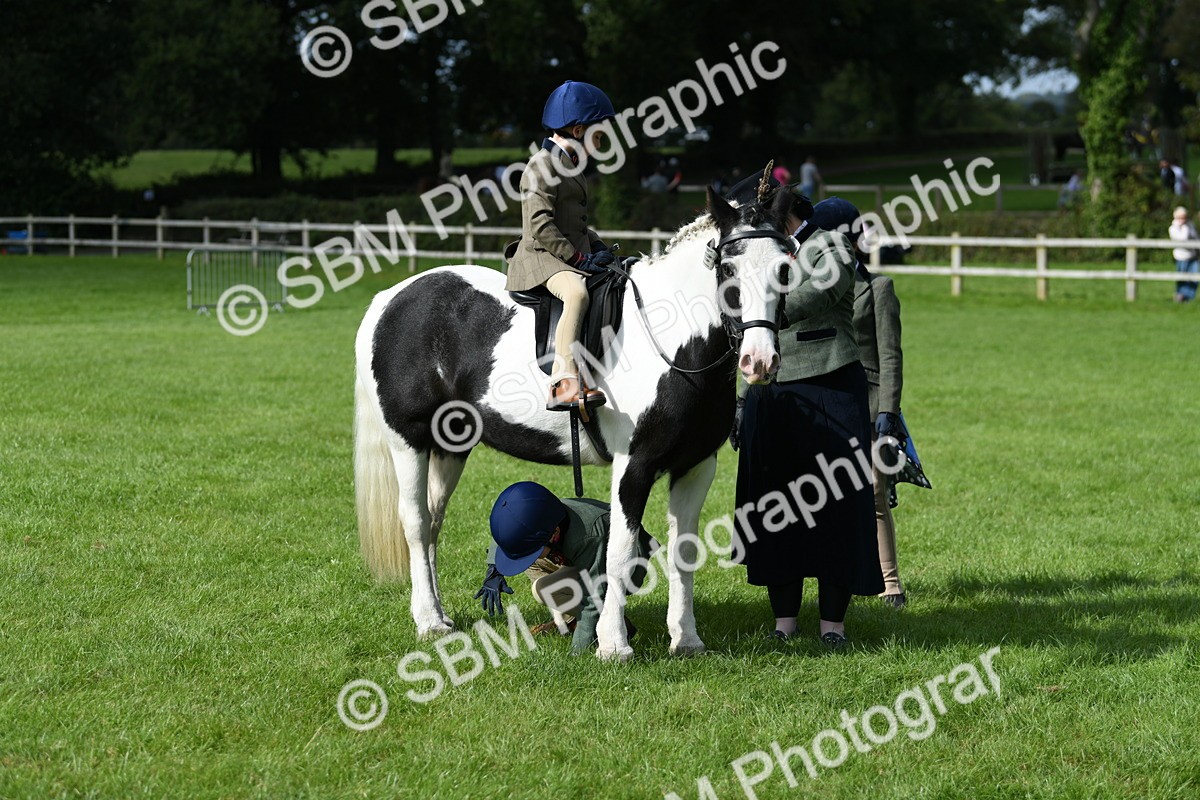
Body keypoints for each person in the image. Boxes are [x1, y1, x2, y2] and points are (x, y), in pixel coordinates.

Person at [727, 175, 883, 648]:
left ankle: (833, 627)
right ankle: (784, 623)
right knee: (775, 508)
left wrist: (766, 310)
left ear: (781, 212)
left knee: (836, 508)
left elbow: (824, 291)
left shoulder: (826, 245)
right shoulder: (759, 250)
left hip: (830, 387)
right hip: (771, 395)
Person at [810, 197, 909, 609]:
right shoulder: (811, 286)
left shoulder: (878, 288)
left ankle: (891, 584)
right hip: (825, 404)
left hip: (869, 404)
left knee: (873, 494)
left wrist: (889, 411)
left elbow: (890, 355)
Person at [504, 80, 618, 412]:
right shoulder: (541, 165)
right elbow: (540, 225)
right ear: (578, 129)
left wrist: (598, 248)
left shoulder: (570, 166)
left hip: (564, 253)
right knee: (577, 293)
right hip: (540, 257)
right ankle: (562, 381)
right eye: (597, 137)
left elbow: (575, 224)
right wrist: (579, 258)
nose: (599, 146)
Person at [475, 482, 654, 651]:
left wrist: (577, 654)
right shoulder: (544, 514)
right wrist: (494, 568)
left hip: (627, 563)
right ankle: (571, 620)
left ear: (554, 534)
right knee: (529, 556)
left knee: (544, 589)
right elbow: (513, 524)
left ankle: (613, 624)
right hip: (585, 555)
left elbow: (593, 599)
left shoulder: (587, 538)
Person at [1169, 206, 1199, 303]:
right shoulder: (1173, 228)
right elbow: (1183, 239)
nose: (1183, 219)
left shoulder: (1190, 225)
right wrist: (1185, 227)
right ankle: (1180, 296)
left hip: (1193, 255)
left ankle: (1189, 298)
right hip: (1181, 256)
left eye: (1184, 217)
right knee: (1182, 277)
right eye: (1181, 217)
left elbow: (1195, 237)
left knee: (1194, 277)